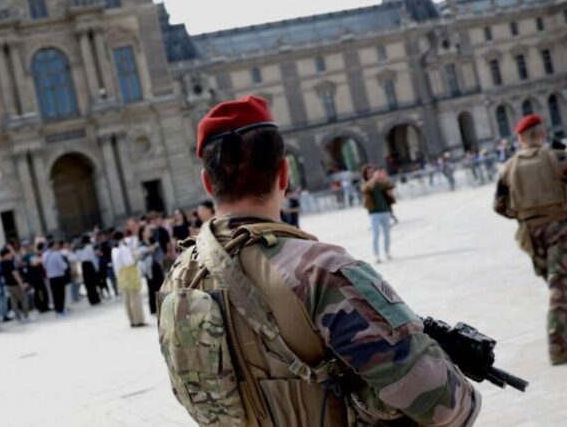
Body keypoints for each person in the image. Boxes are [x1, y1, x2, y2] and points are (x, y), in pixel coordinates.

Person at [159, 95, 479, 425]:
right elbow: (443, 405)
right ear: (284, 174)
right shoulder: (319, 270)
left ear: (208, 183)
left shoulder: (179, 277)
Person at [494, 114, 567, 365]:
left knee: (556, 283)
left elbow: (499, 206)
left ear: (521, 137)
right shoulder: (557, 158)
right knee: (560, 286)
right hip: (559, 229)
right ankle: (558, 347)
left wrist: (524, 217)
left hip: (531, 234)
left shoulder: (508, 167)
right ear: (542, 133)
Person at [361, 165, 395, 263]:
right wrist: (375, 178)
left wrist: (384, 179)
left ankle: (387, 252)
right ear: (365, 175)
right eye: (369, 173)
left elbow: (390, 187)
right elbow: (367, 188)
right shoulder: (365, 184)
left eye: (372, 172)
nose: (371, 174)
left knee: (387, 233)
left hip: (385, 210)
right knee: (376, 234)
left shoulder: (380, 183)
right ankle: (376, 255)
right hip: (374, 213)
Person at [111, 231, 145, 327]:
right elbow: (129, 262)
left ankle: (132, 320)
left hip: (121, 276)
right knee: (135, 298)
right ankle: (138, 320)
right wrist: (135, 256)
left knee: (127, 299)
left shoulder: (114, 250)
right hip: (129, 274)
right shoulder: (123, 249)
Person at [0, 247, 29, 321]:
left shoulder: (1, 263)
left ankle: (18, 317)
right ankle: (26, 316)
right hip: (15, 284)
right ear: (6, 255)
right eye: (9, 254)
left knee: (14, 301)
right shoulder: (9, 263)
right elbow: (15, 273)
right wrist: (21, 284)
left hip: (8, 284)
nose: (10, 255)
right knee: (23, 299)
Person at [43, 241, 69, 316]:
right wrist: (66, 265)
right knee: (61, 294)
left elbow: (44, 266)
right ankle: (61, 309)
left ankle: (57, 310)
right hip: (59, 276)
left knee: (55, 294)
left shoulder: (45, 255)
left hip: (51, 277)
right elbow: (63, 266)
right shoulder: (56, 254)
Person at [77, 236, 101, 305]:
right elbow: (92, 257)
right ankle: (95, 299)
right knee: (92, 282)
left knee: (88, 283)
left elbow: (78, 258)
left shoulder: (79, 248)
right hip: (89, 265)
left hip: (83, 265)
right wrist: (96, 266)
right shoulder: (88, 247)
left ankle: (91, 299)